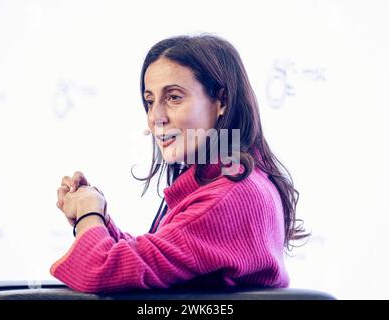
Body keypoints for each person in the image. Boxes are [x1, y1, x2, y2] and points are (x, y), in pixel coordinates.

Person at [52, 34, 307, 293]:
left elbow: (101, 270)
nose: (156, 117)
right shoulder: (235, 181)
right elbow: (152, 261)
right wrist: (98, 216)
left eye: (173, 97)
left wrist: (88, 214)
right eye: (150, 102)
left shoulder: (228, 196)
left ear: (222, 101)